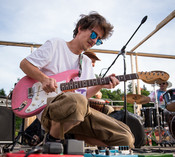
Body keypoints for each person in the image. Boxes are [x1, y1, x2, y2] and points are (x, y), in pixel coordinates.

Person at [20, 11, 135, 148]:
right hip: (51, 109)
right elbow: (25, 64)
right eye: (93, 34)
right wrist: (44, 79)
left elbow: (84, 95)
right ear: (80, 28)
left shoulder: (86, 62)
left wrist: (100, 85)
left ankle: (69, 135)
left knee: (126, 137)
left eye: (98, 40)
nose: (94, 40)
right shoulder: (56, 45)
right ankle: (52, 140)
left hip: (79, 112)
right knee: (76, 100)